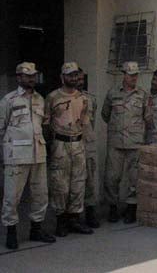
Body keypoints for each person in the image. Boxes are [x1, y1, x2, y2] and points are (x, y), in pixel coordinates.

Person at [0, 62, 56, 249]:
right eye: (27, 76)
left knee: (40, 195)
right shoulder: (9, 100)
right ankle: (11, 232)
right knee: (12, 197)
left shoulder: (41, 99)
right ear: (19, 77)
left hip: (38, 155)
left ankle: (36, 229)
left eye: (33, 75)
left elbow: (45, 125)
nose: (31, 79)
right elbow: (1, 128)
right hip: (16, 157)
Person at [44, 62, 93, 236]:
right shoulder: (52, 97)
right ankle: (61, 221)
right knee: (60, 184)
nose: (73, 78)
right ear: (62, 77)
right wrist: (49, 146)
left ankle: (75, 219)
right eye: (69, 75)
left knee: (78, 183)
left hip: (78, 144)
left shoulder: (83, 98)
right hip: (60, 145)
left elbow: (86, 123)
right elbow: (46, 124)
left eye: (75, 75)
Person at [101, 61, 152, 223]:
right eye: (130, 75)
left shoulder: (143, 95)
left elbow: (148, 117)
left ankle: (131, 207)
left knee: (134, 177)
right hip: (116, 143)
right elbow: (105, 114)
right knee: (111, 177)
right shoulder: (112, 93)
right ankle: (113, 208)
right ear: (123, 75)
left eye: (136, 75)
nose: (133, 78)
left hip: (135, 143)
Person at [77, 68, 100, 228]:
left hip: (88, 143)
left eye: (80, 78)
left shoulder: (91, 99)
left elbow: (94, 121)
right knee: (73, 181)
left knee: (90, 180)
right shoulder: (58, 98)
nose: (78, 81)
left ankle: (90, 213)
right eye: (74, 78)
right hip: (70, 144)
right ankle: (73, 216)